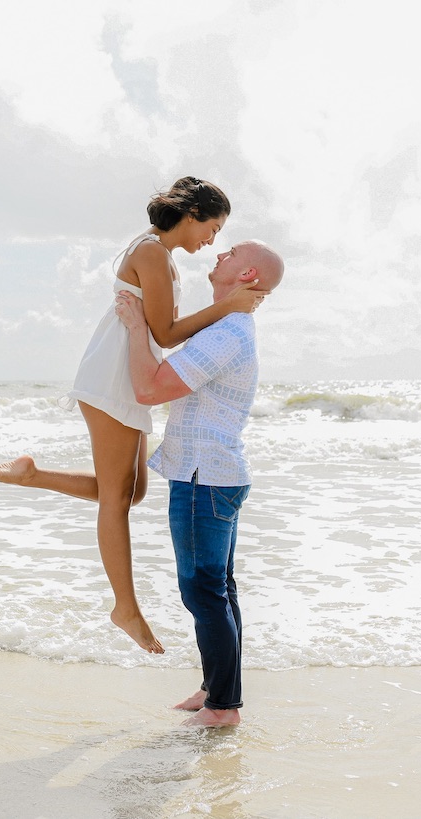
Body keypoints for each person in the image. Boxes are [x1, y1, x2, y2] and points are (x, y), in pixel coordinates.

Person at [0, 178, 266, 655]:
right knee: (116, 498)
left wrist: (224, 309)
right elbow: (167, 333)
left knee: (133, 492)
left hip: (127, 377)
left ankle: (31, 474)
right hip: (113, 376)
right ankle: (124, 608)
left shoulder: (162, 256)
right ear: (191, 213)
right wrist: (228, 307)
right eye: (212, 228)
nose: (211, 241)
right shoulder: (151, 251)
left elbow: (160, 331)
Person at [115, 240, 284, 727]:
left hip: (204, 475)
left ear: (247, 273)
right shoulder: (225, 325)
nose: (218, 255)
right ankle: (217, 688)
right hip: (212, 472)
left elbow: (150, 389)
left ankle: (223, 708)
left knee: (202, 591)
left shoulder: (227, 333)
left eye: (229, 252)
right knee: (218, 589)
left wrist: (133, 328)